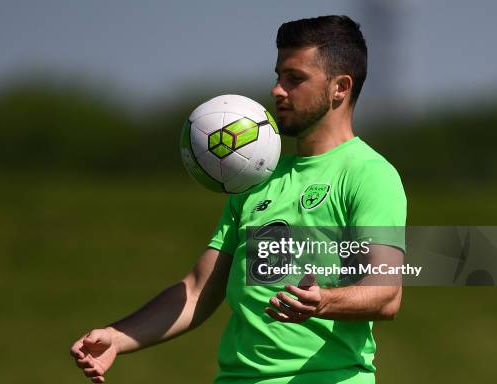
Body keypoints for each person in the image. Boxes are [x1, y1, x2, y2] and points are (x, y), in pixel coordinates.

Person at [70, 15, 406, 384]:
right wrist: (118, 337)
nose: (278, 90)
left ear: (340, 88)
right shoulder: (257, 178)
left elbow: (386, 294)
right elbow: (198, 291)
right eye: (278, 76)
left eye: (295, 79)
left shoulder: (369, 174)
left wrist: (322, 301)